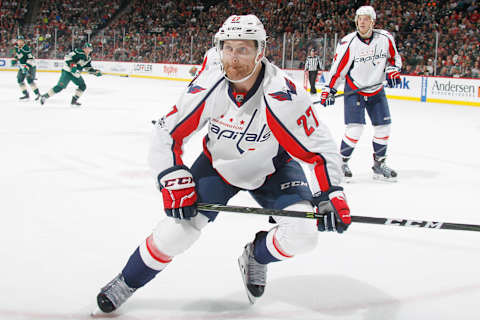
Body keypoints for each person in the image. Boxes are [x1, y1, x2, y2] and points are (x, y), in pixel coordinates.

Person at [94, 14, 351, 314]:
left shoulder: (284, 94)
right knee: (178, 232)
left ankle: (256, 256)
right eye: (227, 48)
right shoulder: (211, 81)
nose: (233, 58)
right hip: (218, 166)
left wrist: (330, 193)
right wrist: (171, 174)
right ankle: (127, 281)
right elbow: (167, 131)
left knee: (303, 235)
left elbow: (319, 148)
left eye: (243, 49)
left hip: (273, 170)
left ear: (260, 52)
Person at [320, 5, 401, 181]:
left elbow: (394, 58)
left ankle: (379, 165)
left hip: (376, 89)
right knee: (355, 129)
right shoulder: (348, 42)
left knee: (383, 127)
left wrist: (394, 69)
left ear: (373, 21)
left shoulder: (385, 38)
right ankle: (341, 163)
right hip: (355, 89)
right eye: (359, 18)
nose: (362, 22)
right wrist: (330, 89)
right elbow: (338, 69)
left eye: (366, 18)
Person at [40, 43, 102, 107]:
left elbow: (88, 68)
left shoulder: (88, 58)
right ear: (84, 48)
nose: (88, 50)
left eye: (90, 49)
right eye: (87, 48)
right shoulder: (78, 52)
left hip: (75, 74)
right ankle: (44, 96)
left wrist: (95, 72)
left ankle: (74, 101)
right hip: (68, 71)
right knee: (60, 87)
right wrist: (72, 65)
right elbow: (67, 57)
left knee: (83, 86)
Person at [12, 35, 41, 101]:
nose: (20, 42)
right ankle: (26, 94)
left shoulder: (26, 48)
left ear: (23, 41)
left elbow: (31, 59)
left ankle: (38, 94)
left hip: (30, 66)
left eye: (21, 41)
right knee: (19, 80)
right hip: (23, 66)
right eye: (19, 41)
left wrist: (26, 67)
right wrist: (15, 59)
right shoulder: (16, 47)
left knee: (30, 80)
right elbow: (18, 54)